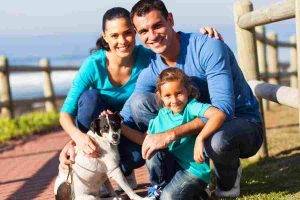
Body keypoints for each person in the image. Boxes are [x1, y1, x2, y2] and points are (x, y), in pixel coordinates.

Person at [58, 5, 222, 196]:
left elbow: (174, 58)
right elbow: (65, 114)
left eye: (127, 33)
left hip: (128, 128)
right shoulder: (93, 65)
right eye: (114, 35)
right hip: (100, 129)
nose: (122, 41)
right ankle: (99, 169)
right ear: (105, 36)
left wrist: (204, 38)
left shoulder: (148, 58)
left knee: (138, 154)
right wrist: (77, 139)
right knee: (89, 99)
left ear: (135, 32)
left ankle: (125, 170)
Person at [119, 0, 263, 198]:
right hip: (197, 127)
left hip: (239, 123)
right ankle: (178, 178)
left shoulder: (208, 47)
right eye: (144, 31)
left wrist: (170, 135)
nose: (152, 36)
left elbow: (224, 110)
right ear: (138, 34)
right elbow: (126, 114)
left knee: (217, 140)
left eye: (157, 25)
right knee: (139, 103)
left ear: (170, 19)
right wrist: (79, 140)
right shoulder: (152, 68)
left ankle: (227, 179)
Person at [146, 68, 225, 199]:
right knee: (153, 150)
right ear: (160, 96)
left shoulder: (191, 107)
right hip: (173, 167)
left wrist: (200, 138)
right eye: (167, 96)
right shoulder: (162, 115)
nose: (174, 100)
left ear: (187, 91)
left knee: (168, 198)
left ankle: (200, 192)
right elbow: (147, 139)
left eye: (178, 93)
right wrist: (123, 128)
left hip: (193, 171)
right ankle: (156, 190)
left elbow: (218, 115)